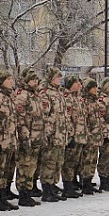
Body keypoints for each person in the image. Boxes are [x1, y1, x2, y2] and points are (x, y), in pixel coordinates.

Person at [38, 67, 71, 202]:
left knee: (58, 162)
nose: (60, 79)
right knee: (49, 162)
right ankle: (46, 190)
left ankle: (52, 186)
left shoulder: (59, 93)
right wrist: (49, 133)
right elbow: (45, 116)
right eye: (58, 77)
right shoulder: (45, 93)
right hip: (52, 134)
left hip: (60, 134)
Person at [0, 70, 19, 211]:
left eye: (11, 79)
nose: (11, 81)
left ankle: (3, 196)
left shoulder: (9, 96)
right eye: (8, 79)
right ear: (1, 81)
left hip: (10, 138)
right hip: (0, 140)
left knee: (6, 169)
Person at [14, 67, 43, 206]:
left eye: (36, 79)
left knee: (32, 165)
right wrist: (25, 136)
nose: (36, 81)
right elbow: (20, 118)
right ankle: (23, 193)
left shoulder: (35, 95)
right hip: (27, 136)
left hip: (36, 136)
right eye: (32, 79)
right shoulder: (22, 95)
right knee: (24, 165)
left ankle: (28, 191)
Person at [62, 75, 87, 198]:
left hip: (80, 135)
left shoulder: (78, 98)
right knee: (69, 163)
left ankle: (72, 184)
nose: (79, 85)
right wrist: (70, 135)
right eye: (76, 82)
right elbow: (67, 119)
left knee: (75, 162)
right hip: (73, 136)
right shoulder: (67, 98)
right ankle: (67, 187)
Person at [80, 78, 105, 195]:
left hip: (96, 136)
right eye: (93, 87)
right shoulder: (84, 102)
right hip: (89, 136)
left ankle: (89, 181)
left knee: (93, 160)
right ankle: (85, 183)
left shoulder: (95, 102)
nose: (96, 89)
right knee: (87, 160)